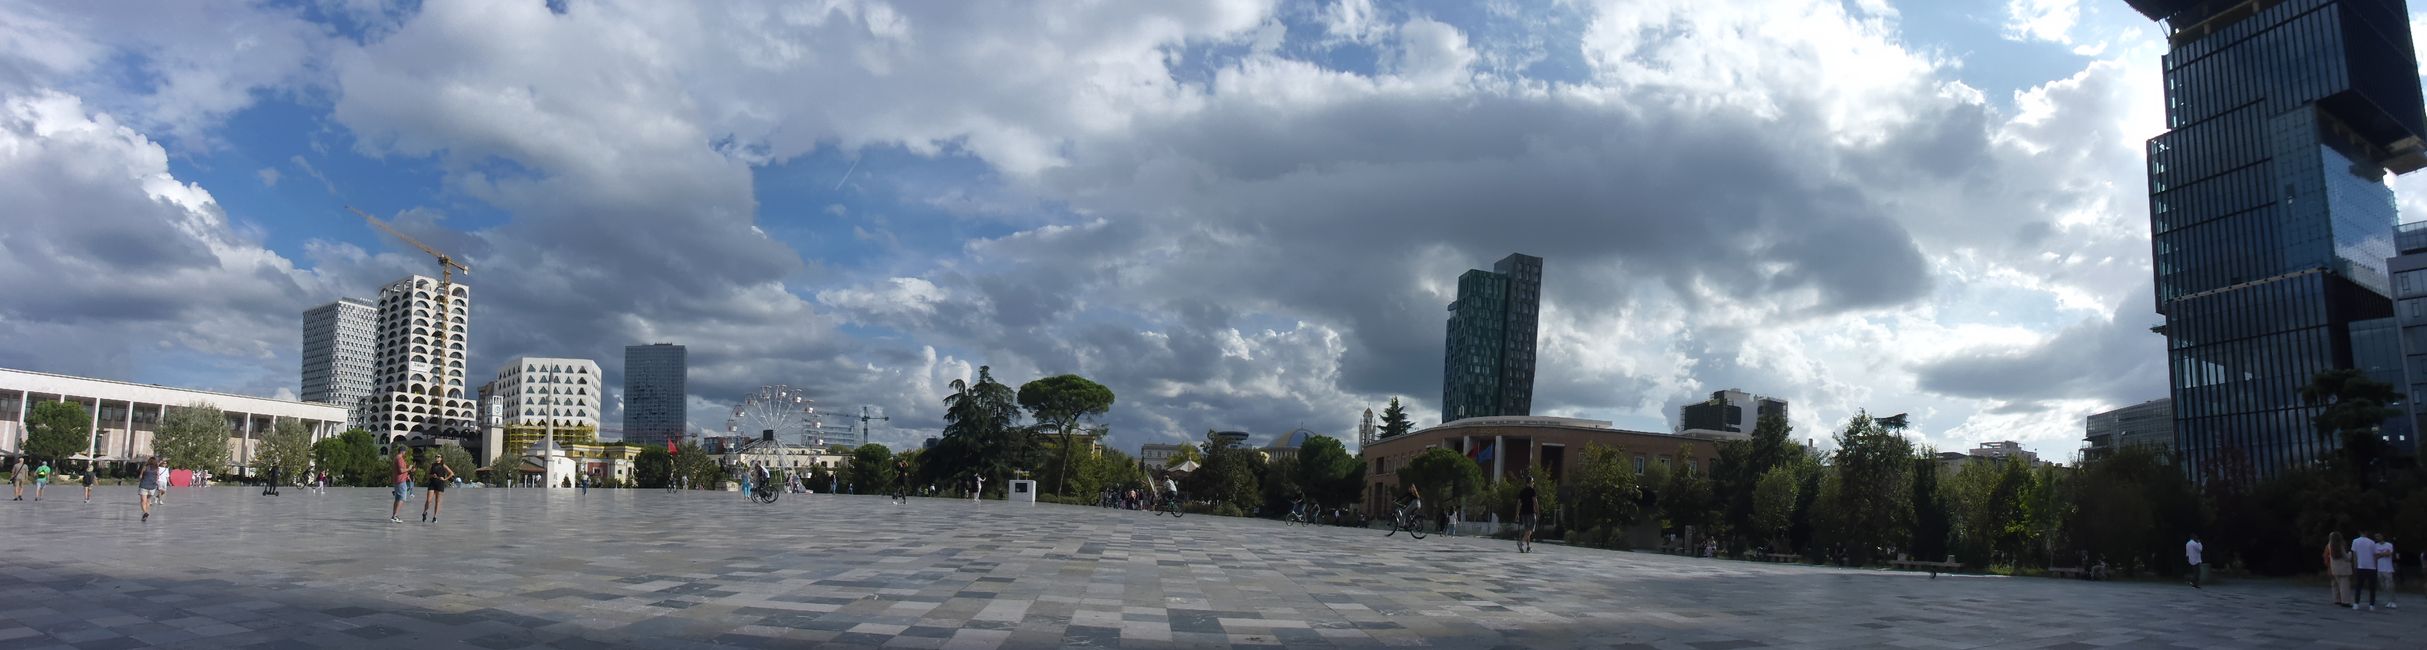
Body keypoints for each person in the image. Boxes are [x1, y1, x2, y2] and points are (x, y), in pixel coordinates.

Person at [420, 456, 454, 523]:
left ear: (441, 458)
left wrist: (445, 479)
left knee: (437, 501)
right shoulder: (432, 465)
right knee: (428, 500)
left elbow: (452, 473)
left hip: (440, 484)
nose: (437, 458)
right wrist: (432, 476)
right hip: (432, 483)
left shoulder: (443, 465)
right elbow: (428, 475)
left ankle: (435, 517)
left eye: (438, 457)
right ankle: (424, 512)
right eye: (436, 456)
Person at [2354, 530, 2379, 610]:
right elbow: (2375, 555)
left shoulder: (2355, 541)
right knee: (2372, 588)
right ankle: (2371, 605)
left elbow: (2355, 555)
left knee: (2359, 586)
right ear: (2366, 533)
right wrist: (2375, 566)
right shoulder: (2372, 542)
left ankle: (2356, 603)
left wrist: (2355, 565)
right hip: (2371, 567)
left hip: (2361, 566)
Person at [1515, 474, 1540, 553]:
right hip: (1531, 513)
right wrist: (1538, 512)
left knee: (1526, 530)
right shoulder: (1532, 491)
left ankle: (1528, 547)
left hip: (1523, 513)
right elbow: (1535, 502)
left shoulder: (1522, 491)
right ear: (1529, 482)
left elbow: (1519, 503)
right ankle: (1521, 543)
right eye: (1532, 482)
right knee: (1530, 529)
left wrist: (1517, 514)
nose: (1533, 483)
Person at [387, 450, 412, 524]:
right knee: (402, 499)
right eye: (405, 452)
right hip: (401, 482)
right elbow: (401, 470)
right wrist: (409, 468)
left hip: (397, 481)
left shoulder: (396, 458)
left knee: (397, 499)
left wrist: (407, 473)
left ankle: (394, 515)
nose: (405, 453)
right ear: (403, 451)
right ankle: (395, 516)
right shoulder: (400, 459)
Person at [2330, 531, 2354, 608]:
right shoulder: (2340, 545)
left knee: (2337, 585)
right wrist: (2350, 554)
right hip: (2343, 568)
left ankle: (2337, 600)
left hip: (2335, 568)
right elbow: (2346, 557)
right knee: (2344, 586)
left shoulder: (2330, 545)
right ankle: (2345, 601)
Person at [137, 457, 164, 522]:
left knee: (143, 501)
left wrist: (141, 479)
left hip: (144, 485)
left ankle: (145, 512)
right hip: (152, 486)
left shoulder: (145, 467)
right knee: (148, 501)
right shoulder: (156, 468)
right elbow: (157, 478)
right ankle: (146, 513)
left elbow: (140, 476)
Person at [2375, 533, 2396, 609]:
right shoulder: (2375, 546)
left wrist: (2380, 554)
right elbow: (2375, 556)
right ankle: (2388, 600)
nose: (2377, 537)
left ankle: (2392, 601)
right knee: (2383, 586)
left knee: (2390, 586)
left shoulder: (2388, 545)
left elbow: (2389, 554)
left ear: (2382, 536)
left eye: (2379, 536)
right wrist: (2383, 553)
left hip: (2387, 568)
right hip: (2379, 569)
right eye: (2376, 537)